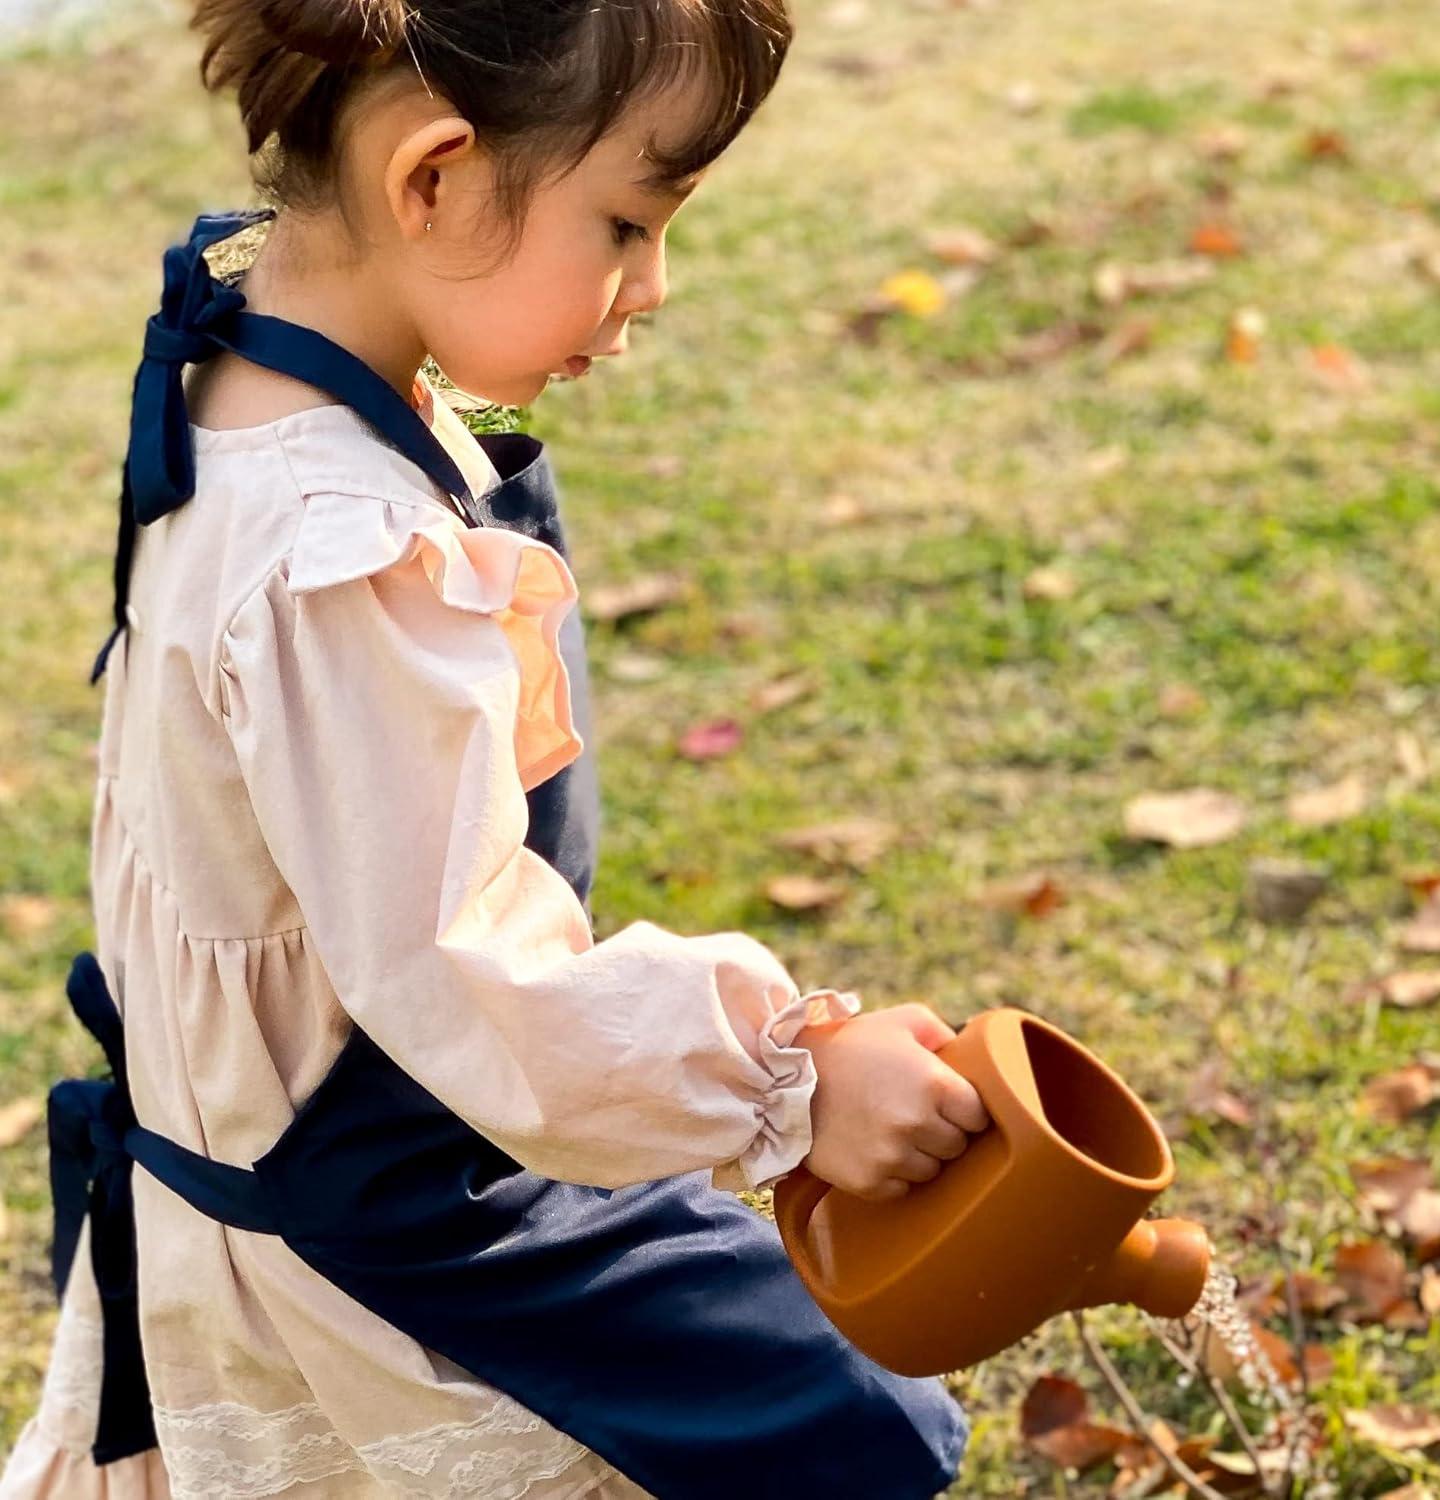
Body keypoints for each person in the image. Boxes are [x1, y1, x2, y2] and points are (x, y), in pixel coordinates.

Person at [0, 1, 992, 1495]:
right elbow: (472, 973)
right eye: (626, 222)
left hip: (325, 1131)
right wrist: (796, 1076)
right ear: (435, 177)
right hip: (383, 1212)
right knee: (833, 1432)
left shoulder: (234, 371)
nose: (649, 286)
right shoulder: (340, 557)